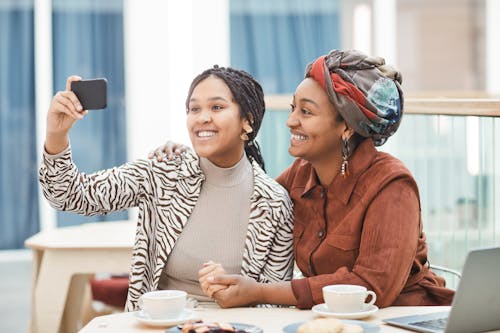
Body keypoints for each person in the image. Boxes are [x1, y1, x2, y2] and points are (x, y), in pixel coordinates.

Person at [191, 49, 455, 309]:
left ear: (347, 126)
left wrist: (259, 292)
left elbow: (373, 286)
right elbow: (251, 207)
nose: (290, 121)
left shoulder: (392, 185)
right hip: (332, 321)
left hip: (407, 317)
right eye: (293, 108)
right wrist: (189, 162)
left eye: (306, 112)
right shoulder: (300, 174)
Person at [38, 66, 295, 312]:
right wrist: (56, 135)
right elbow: (69, 195)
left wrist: (236, 299)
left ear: (247, 122)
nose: (202, 117)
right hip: (159, 323)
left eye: (216, 107)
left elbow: (273, 304)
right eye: (194, 109)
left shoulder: (273, 203)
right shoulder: (164, 172)